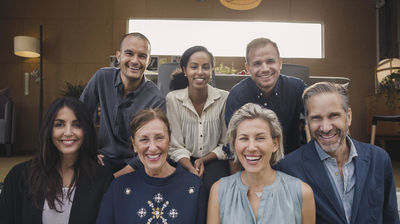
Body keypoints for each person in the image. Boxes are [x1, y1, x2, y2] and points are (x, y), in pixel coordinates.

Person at [276, 82, 400, 224]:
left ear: (348, 116)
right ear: (307, 122)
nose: (325, 127)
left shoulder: (378, 159)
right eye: (316, 118)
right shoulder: (289, 169)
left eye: (334, 115)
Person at [0, 97, 113, 224]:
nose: (68, 132)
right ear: (48, 129)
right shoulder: (20, 177)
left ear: (86, 130)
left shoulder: (101, 180)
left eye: (76, 124)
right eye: (59, 124)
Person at [87, 108, 206, 224]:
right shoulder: (118, 188)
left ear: (169, 141)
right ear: (134, 144)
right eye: (144, 139)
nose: (152, 147)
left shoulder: (194, 188)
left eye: (159, 138)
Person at [201, 103, 315, 224]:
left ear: (275, 144)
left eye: (260, 138)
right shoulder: (219, 190)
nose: (252, 147)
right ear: (235, 144)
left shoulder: (302, 193)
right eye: (244, 138)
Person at [80, 32, 165, 178]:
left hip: (138, 164)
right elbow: (80, 116)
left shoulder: (156, 98)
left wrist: (116, 178)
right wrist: (88, 152)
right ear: (118, 56)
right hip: (103, 158)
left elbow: (154, 147)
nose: (135, 61)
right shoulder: (102, 78)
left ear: (148, 61)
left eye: (142, 56)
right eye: (129, 53)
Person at [225, 38, 307, 157]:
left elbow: (315, 122)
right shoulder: (237, 96)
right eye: (257, 63)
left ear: (280, 63)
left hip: (292, 160)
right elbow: (233, 144)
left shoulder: (298, 89)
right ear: (248, 68)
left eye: (270, 61)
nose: (265, 69)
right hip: (253, 160)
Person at [166, 46, 229, 191]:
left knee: (214, 187)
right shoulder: (173, 99)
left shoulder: (224, 97)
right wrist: (189, 167)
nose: (200, 72)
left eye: (205, 67)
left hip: (214, 159)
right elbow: (175, 145)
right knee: (186, 187)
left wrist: (203, 160)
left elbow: (226, 143)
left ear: (212, 70)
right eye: (194, 67)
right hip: (182, 160)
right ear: (184, 70)